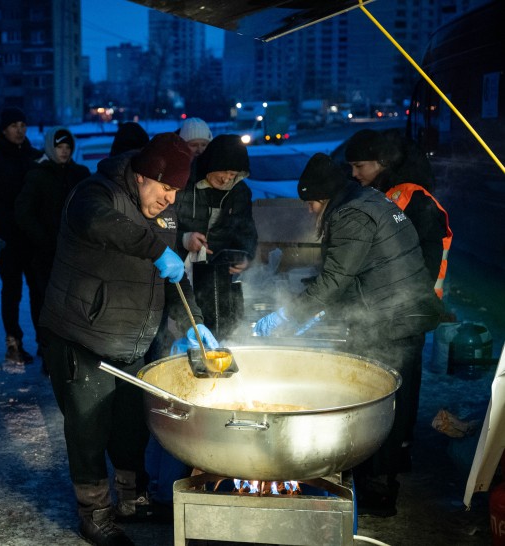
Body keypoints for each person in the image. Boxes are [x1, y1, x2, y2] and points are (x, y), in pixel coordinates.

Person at [40, 133, 220, 545]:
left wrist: (192, 321)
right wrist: (156, 249)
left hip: (132, 337)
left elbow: (172, 276)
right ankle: (94, 513)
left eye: (177, 190)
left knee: (130, 425)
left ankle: (129, 498)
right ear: (142, 176)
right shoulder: (94, 193)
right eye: (166, 188)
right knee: (87, 429)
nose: (170, 200)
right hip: (80, 335)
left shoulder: (165, 214)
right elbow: (100, 225)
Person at [254, 153, 443, 517]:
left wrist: (288, 315)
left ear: (323, 197)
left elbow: (335, 280)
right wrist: (319, 310)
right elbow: (358, 273)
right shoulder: (367, 200)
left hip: (392, 322)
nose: (309, 211)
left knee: (381, 405)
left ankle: (377, 494)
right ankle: (377, 486)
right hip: (402, 315)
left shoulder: (351, 214)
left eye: (310, 202)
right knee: (391, 403)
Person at [14, 127, 91, 369]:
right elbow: (23, 213)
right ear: (51, 148)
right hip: (45, 254)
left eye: (68, 147)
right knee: (46, 303)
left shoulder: (80, 174)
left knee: (74, 303)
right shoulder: (37, 175)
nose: (64, 151)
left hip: (76, 253)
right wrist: (44, 239)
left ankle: (71, 352)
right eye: (60, 147)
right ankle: (48, 352)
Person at [345, 128, 452, 298]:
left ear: (381, 162)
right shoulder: (382, 195)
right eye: (351, 167)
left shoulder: (410, 199)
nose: (354, 174)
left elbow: (422, 259)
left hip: (413, 308)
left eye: (359, 166)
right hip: (395, 305)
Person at [0, 107, 43, 364]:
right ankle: (13, 342)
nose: (20, 129)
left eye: (23, 124)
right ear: (3, 128)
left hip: (33, 238)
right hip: (9, 239)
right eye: (14, 125)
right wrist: (9, 220)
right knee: (12, 291)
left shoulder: (33, 157)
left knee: (39, 290)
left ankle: (42, 341)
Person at [176, 134, 257, 339]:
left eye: (233, 175)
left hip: (220, 273)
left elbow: (246, 230)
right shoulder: (185, 183)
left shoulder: (239, 192)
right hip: (180, 271)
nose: (227, 179)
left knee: (226, 327)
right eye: (225, 172)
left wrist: (245, 255)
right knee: (185, 325)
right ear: (213, 164)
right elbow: (161, 227)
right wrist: (184, 239)